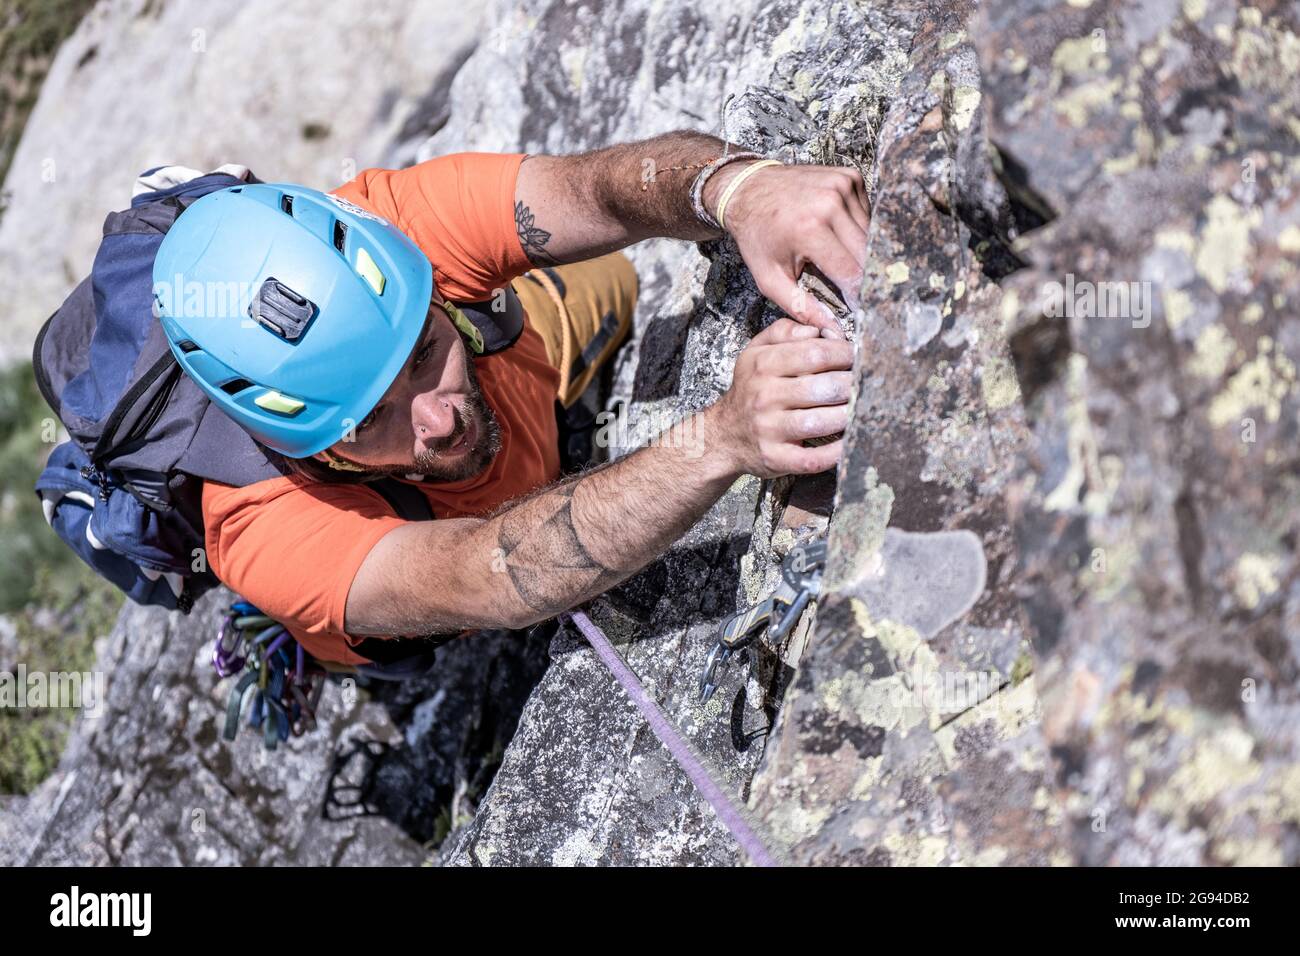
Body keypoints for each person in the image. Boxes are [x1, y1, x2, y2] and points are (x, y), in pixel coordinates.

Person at [156, 131, 869, 669]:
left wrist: (741, 190)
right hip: (427, 564)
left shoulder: (395, 230)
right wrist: (722, 439)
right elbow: (489, 575)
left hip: (531, 402)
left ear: (430, 294)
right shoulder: (266, 527)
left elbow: (596, 192)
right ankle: (299, 649)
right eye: (372, 420)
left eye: (425, 354)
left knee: (615, 283)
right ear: (310, 448)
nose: (439, 420)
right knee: (409, 615)